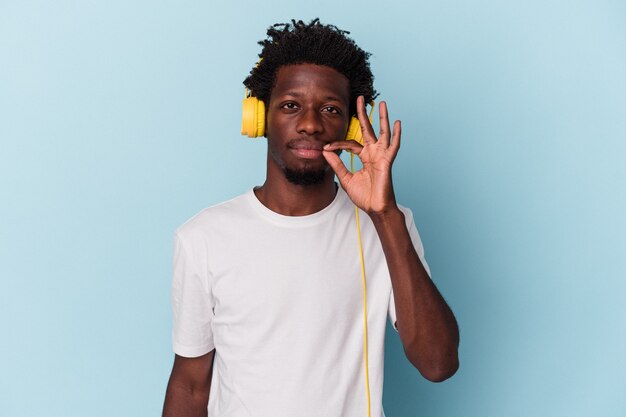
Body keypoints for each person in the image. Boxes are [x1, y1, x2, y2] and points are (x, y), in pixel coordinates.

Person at [162, 19, 459, 417]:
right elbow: (190, 384)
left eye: (330, 109)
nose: (310, 123)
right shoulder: (202, 238)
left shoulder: (387, 225)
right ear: (259, 117)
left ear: (352, 126)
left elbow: (438, 363)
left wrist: (385, 216)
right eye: (290, 105)